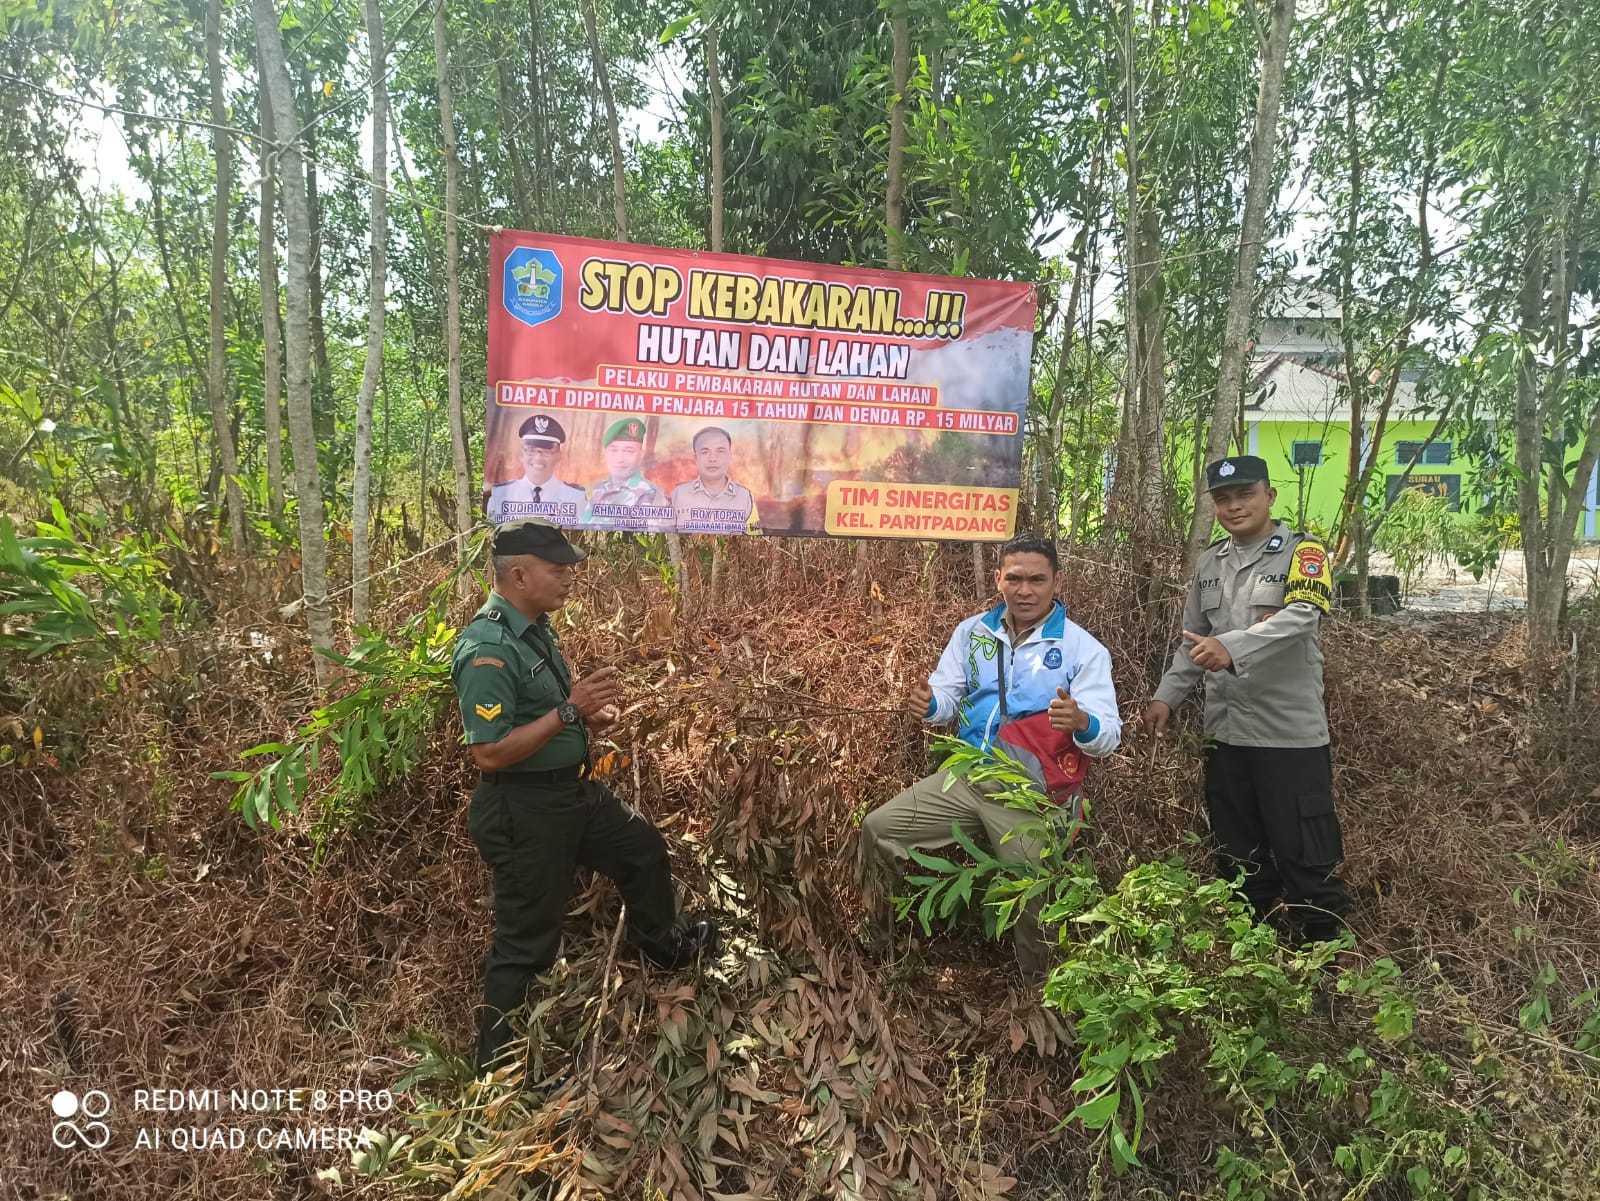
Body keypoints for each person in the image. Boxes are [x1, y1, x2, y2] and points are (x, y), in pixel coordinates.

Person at [450, 519, 718, 1072]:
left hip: (571, 794)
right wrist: (568, 711)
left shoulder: (535, 629)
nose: (570, 578)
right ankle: (496, 1073)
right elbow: (490, 753)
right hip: (522, 809)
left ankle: (664, 949)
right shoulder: (487, 649)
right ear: (520, 575)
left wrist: (584, 721)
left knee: (641, 847)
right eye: (558, 570)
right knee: (527, 941)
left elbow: (545, 713)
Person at [859, 534, 1122, 976]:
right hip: (966, 777)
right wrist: (931, 705)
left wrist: (1082, 723)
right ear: (998, 579)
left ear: (1057, 582)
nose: (1025, 590)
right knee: (879, 828)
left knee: (1033, 887)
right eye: (1014, 578)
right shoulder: (974, 632)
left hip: (1029, 795)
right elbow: (948, 693)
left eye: (1037, 579)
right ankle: (882, 946)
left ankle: (1037, 989)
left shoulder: (1082, 649)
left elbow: (1108, 735)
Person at [1142, 455, 1349, 944]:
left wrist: (1231, 646)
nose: (1234, 507)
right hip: (1227, 733)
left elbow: (1302, 616)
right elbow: (1195, 639)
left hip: (1288, 735)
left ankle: (1328, 950)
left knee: (1304, 852)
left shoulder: (1303, 552)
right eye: (1223, 499)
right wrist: (1167, 697)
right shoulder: (1209, 562)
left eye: (1245, 495)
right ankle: (1250, 950)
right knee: (1238, 852)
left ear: (1269, 496)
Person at [486, 414, 588, 525]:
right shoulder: (500, 494)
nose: (538, 457)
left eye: (547, 451)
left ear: (558, 456)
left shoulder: (576, 498)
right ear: (521, 454)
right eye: (531, 450)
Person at [583, 417, 673, 532]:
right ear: (605, 453)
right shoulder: (599, 490)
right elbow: (585, 527)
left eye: (629, 451)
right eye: (613, 450)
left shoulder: (653, 495)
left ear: (641, 454)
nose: (620, 459)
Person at [670, 426, 762, 534]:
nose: (712, 458)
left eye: (720, 451)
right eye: (705, 452)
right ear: (696, 458)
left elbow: (756, 537)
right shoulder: (679, 494)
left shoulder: (745, 497)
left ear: (729, 457)